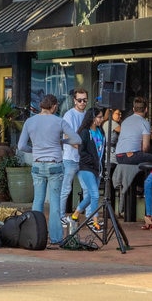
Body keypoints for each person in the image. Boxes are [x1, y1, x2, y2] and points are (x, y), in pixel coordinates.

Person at [16, 94, 82, 247]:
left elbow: (21, 146)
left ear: (41, 106)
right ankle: (56, 238)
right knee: (54, 203)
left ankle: (35, 235)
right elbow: (77, 140)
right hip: (55, 165)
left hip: (38, 164)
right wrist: (63, 141)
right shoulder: (59, 121)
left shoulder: (30, 122)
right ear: (54, 106)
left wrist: (34, 150)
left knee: (37, 201)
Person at [71, 107, 106, 232]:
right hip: (86, 167)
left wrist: (101, 164)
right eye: (99, 117)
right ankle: (95, 222)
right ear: (92, 117)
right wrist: (92, 160)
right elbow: (82, 150)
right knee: (95, 195)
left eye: (102, 117)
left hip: (97, 168)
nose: (101, 120)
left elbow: (102, 150)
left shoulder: (101, 132)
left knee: (91, 196)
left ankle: (75, 215)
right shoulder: (85, 132)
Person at [58, 88, 89, 223]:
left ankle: (88, 216)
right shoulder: (69, 115)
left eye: (85, 100)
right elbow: (67, 136)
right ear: (74, 100)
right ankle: (61, 216)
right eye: (79, 100)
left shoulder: (87, 114)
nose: (82, 102)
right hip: (70, 158)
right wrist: (82, 148)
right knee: (66, 189)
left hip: (82, 159)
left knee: (87, 188)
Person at [115, 97, 152, 166]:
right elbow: (145, 147)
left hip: (119, 156)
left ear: (133, 109)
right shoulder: (145, 122)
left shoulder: (125, 121)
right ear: (146, 109)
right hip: (132, 156)